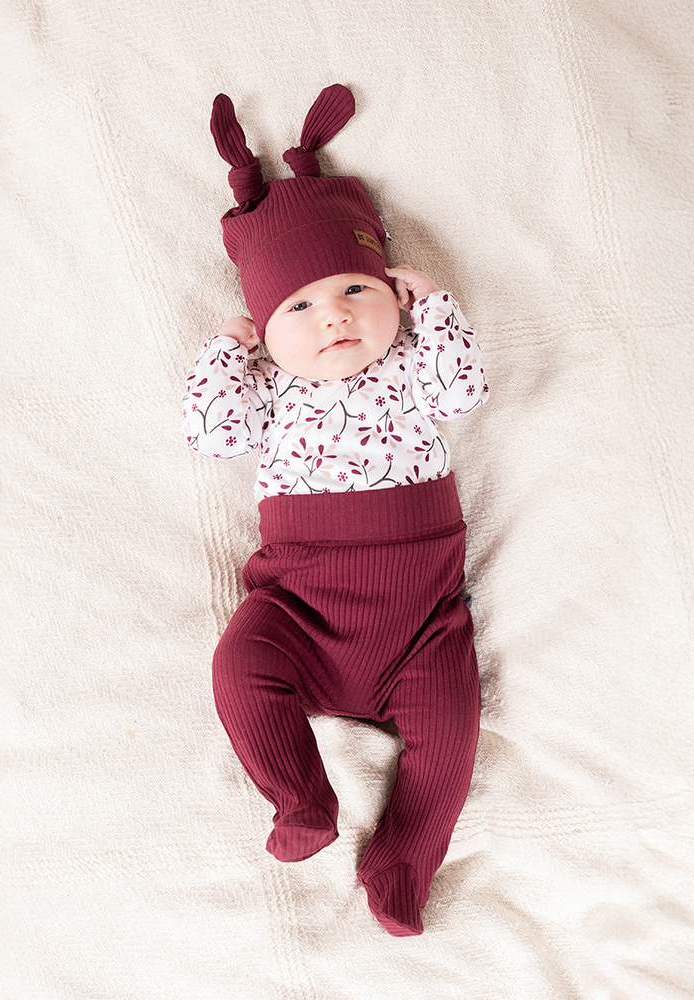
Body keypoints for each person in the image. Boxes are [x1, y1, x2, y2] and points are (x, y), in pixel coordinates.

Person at [183, 84, 489, 936]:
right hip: (300, 609)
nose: (336, 318)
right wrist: (225, 353)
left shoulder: (409, 364)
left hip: (423, 621)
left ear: (390, 288)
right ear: (264, 327)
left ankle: (404, 859)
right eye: (299, 306)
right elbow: (212, 436)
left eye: (357, 287)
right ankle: (301, 799)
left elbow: (462, 393)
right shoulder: (270, 386)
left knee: (454, 733)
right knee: (237, 669)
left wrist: (437, 309)